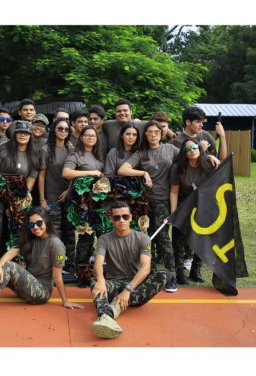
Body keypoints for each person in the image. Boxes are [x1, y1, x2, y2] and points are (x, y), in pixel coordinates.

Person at [90, 201, 170, 339]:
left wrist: (127, 290)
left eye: (125, 216)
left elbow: (145, 268)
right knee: (94, 282)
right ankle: (107, 316)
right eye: (117, 217)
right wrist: (101, 280)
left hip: (135, 286)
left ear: (131, 217)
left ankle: (112, 310)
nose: (121, 220)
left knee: (164, 274)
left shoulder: (143, 238)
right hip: (113, 283)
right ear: (111, 219)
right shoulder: (104, 239)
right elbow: (98, 262)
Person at [118, 120, 179, 292]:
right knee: (146, 238)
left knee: (163, 238)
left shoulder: (170, 149)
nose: (153, 135)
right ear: (145, 134)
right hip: (144, 202)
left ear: (161, 133)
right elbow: (123, 169)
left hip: (163, 200)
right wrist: (143, 172)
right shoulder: (142, 153)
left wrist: (209, 155)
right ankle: (147, 274)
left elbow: (190, 156)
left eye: (156, 132)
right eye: (150, 132)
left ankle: (171, 275)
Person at [0, 120, 39, 261]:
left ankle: (14, 262)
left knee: (17, 230)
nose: (23, 135)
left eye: (26, 133)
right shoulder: (4, 149)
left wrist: (24, 198)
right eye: (20, 133)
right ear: (15, 134)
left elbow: (31, 180)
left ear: (30, 136)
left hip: (18, 196)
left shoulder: (34, 155)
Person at [169, 138, 217, 285]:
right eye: (188, 149)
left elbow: (222, 173)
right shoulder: (178, 168)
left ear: (200, 148)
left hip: (204, 205)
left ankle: (196, 270)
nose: (192, 150)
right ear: (183, 153)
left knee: (202, 239)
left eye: (195, 147)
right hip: (184, 204)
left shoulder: (209, 164)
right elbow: (174, 192)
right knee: (179, 239)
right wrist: (174, 213)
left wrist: (211, 155)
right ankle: (179, 271)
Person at [38, 117, 75, 269]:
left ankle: (71, 265)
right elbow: (41, 175)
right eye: (60, 128)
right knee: (55, 233)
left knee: (70, 231)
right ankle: (56, 265)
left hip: (69, 195)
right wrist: (42, 199)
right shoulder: (45, 150)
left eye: (66, 129)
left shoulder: (71, 150)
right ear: (54, 130)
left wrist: (68, 190)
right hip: (51, 196)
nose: (63, 132)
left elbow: (75, 173)